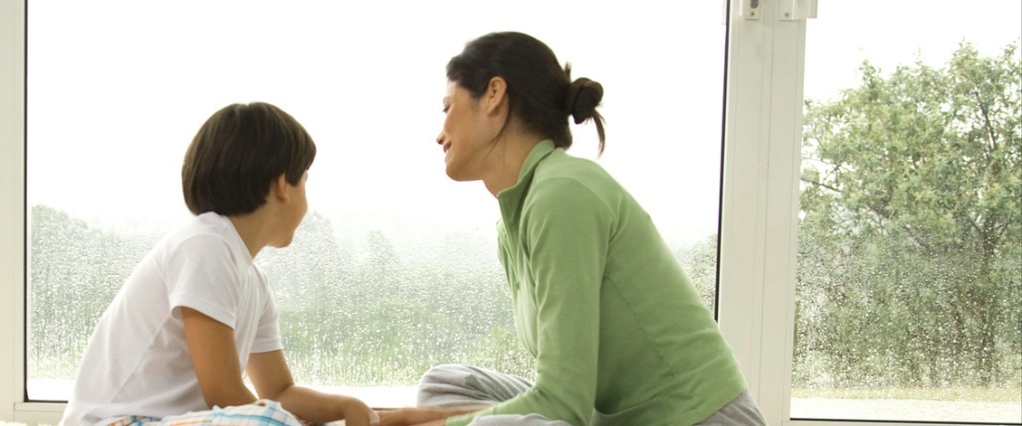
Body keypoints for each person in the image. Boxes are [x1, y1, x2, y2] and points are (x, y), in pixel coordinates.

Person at [378, 32, 767, 426]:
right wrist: (429, 418)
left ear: (494, 93)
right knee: (445, 387)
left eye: (448, 107)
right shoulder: (517, 215)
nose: (440, 132)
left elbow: (564, 405)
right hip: (611, 418)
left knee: (478, 421)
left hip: (694, 420)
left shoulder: (562, 193)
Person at [60, 102, 377, 426]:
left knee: (272, 418)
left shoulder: (252, 280)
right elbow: (222, 392)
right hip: (118, 422)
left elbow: (279, 391)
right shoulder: (206, 245)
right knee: (267, 421)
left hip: (169, 421)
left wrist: (348, 407)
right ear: (283, 184)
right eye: (305, 180)